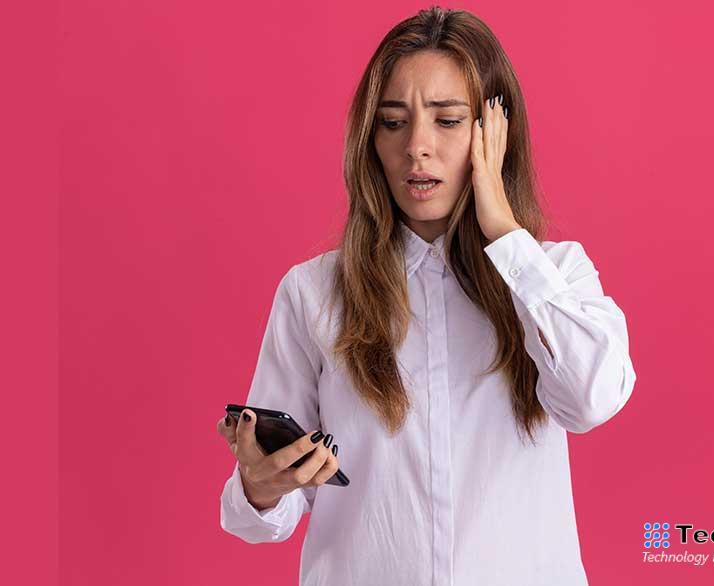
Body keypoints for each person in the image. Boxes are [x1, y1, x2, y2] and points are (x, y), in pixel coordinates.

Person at [215, 6, 637, 585]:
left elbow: (591, 399)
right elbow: (267, 515)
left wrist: (507, 238)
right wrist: (260, 489)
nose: (417, 146)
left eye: (447, 120)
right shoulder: (312, 293)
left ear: (494, 133)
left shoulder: (555, 277)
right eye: (393, 122)